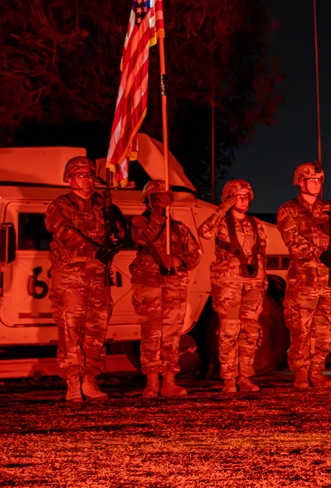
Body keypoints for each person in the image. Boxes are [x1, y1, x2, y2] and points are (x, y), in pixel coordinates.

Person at [44, 156, 126, 402]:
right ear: (69, 178)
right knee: (71, 328)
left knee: (96, 329)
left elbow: (119, 233)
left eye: (90, 174)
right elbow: (63, 231)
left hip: (99, 274)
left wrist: (116, 226)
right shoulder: (61, 205)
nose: (87, 179)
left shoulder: (104, 204)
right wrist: (93, 250)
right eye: (80, 174)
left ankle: (90, 379)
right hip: (71, 275)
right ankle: (72, 382)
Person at [277, 162, 331, 390]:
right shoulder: (288, 210)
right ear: (301, 182)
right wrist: (319, 253)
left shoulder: (328, 208)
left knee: (326, 329)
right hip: (303, 278)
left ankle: (316, 371)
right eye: (312, 180)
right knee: (301, 328)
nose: (317, 184)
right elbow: (293, 242)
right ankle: (300, 372)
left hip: (327, 279)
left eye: (319, 180)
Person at [129, 180, 202, 399]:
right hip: (148, 284)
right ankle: (152, 381)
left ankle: (169, 381)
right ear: (148, 201)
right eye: (156, 197)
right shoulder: (139, 223)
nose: (161, 201)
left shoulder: (179, 229)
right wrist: (159, 213)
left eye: (164, 197)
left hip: (173, 285)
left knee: (171, 335)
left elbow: (195, 255)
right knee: (151, 334)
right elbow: (145, 237)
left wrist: (178, 260)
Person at [198, 179, 268, 394]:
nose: (244, 200)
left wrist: (262, 284)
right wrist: (223, 208)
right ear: (228, 198)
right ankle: (228, 378)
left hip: (252, 283)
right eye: (238, 196)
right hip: (228, 284)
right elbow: (205, 232)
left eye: (247, 196)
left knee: (251, 332)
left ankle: (245, 376)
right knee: (229, 330)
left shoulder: (256, 224)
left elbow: (262, 253)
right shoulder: (220, 222)